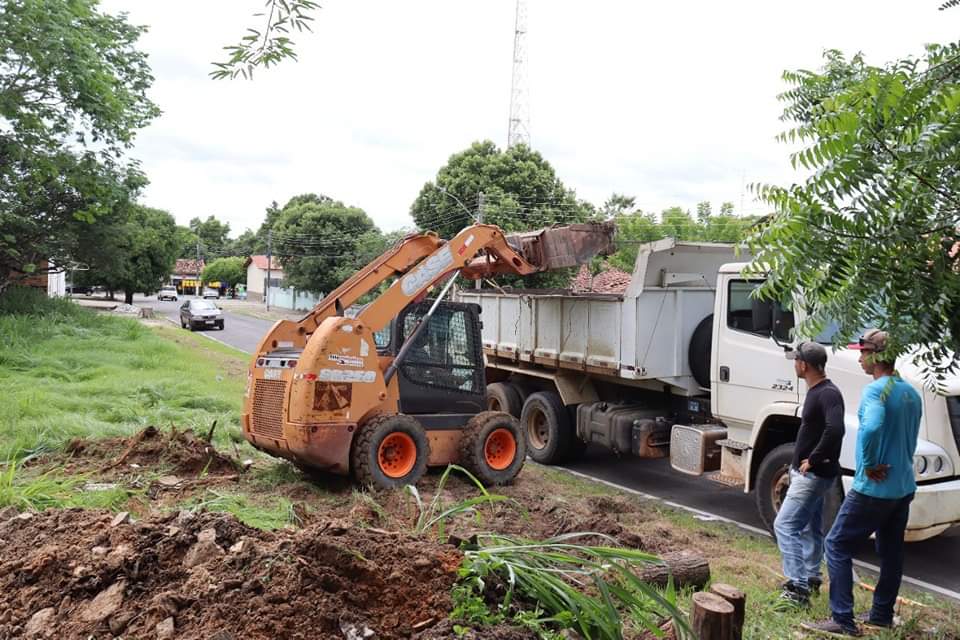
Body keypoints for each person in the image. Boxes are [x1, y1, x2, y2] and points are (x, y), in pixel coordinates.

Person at [802, 329, 922, 637]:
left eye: (863, 352)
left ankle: (842, 619)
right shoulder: (910, 392)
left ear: (877, 356)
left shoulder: (875, 391)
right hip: (904, 487)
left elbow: (871, 428)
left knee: (836, 544)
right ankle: (881, 614)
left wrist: (867, 465)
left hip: (875, 489)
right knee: (891, 551)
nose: (859, 357)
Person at [774, 341, 845, 607]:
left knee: (785, 525)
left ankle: (797, 588)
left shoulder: (827, 393)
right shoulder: (819, 391)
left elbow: (835, 429)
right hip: (812, 474)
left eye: (796, 360)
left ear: (803, 365)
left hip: (813, 475)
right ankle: (812, 577)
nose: (794, 364)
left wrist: (813, 459)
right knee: (810, 526)